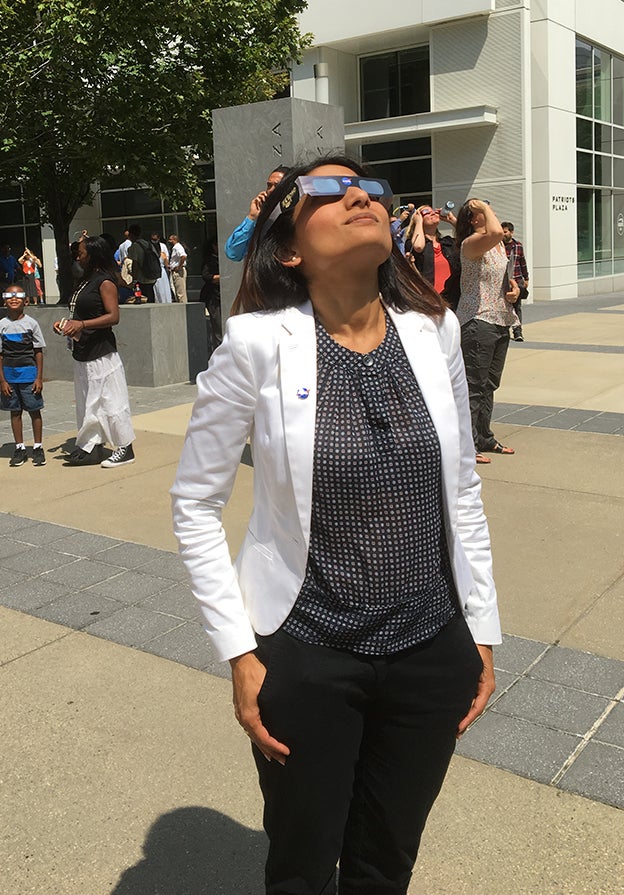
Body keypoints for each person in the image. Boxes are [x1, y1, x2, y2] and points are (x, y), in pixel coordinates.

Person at [171, 156, 500, 895]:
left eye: (370, 188)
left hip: (429, 649)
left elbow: (462, 488)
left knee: (387, 861)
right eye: (325, 190)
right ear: (288, 246)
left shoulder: (434, 329)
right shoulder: (256, 343)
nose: (359, 194)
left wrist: (479, 629)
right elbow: (194, 502)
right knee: (302, 862)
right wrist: (239, 652)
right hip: (306, 650)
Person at [56, 235, 135, 468]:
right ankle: (91, 446)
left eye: (81, 251)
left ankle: (125, 447)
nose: (77, 255)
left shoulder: (105, 281)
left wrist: (82, 325)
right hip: (83, 351)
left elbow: (113, 316)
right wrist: (67, 324)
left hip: (102, 353)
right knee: (87, 403)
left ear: (93, 254)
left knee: (112, 401)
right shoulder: (84, 279)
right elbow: (82, 313)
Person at [455, 199, 520, 465]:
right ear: (473, 219)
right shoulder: (471, 243)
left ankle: (484, 437)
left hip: (500, 319)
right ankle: (467, 444)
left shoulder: (498, 246)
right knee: (474, 386)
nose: (492, 214)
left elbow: (504, 278)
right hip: (477, 320)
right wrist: (480, 204)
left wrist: (514, 292)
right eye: (485, 211)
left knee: (489, 385)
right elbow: (495, 231)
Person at [0, 283, 46, 467]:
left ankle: (38, 446)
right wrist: (2, 381)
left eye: (18, 295)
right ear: (4, 300)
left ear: (26, 300)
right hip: (10, 377)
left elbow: (38, 352)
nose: (14, 298)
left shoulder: (32, 324)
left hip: (29, 376)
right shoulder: (1, 326)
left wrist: (38, 377)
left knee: (34, 411)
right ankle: (20, 447)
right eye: (10, 295)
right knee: (15, 412)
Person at [224, 166, 290, 262]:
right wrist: (251, 218)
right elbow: (233, 253)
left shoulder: (299, 214)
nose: (271, 190)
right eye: (269, 185)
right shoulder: (261, 220)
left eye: (277, 185)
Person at [406, 204, 460, 309]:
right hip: (428, 300)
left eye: (434, 211)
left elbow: (470, 238)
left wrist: (452, 220)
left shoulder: (448, 242)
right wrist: (418, 222)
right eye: (426, 212)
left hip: (452, 300)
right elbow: (418, 247)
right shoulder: (412, 243)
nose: (433, 213)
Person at [501, 221, 529, 341]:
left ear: (511, 232)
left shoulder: (518, 246)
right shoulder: (498, 246)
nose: (503, 233)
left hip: (517, 280)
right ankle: (504, 331)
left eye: (505, 231)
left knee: (517, 307)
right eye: (502, 231)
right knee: (503, 307)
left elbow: (522, 262)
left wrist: (526, 278)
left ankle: (518, 332)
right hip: (502, 282)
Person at [126, 225, 160, 303]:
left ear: (130, 235)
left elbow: (135, 263)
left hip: (142, 277)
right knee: (151, 295)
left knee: (143, 298)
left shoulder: (135, 246)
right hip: (151, 275)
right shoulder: (148, 244)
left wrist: (134, 279)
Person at [199, 241, 222, 352]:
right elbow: (206, 276)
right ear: (214, 246)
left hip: (221, 294)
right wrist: (220, 277)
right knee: (217, 326)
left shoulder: (223, 258)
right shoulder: (209, 260)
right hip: (213, 296)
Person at [151, 232, 173, 304]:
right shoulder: (161, 253)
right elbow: (166, 262)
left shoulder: (162, 249)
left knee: (161, 288)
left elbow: (166, 260)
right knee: (161, 289)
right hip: (158, 271)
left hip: (159, 271)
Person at [168, 234, 188, 302]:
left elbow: (183, 256)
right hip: (174, 271)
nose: (169, 241)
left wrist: (179, 267)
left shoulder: (178, 247)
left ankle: (183, 308)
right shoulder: (174, 248)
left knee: (180, 293)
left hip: (178, 272)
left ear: (175, 240)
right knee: (176, 291)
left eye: (171, 239)